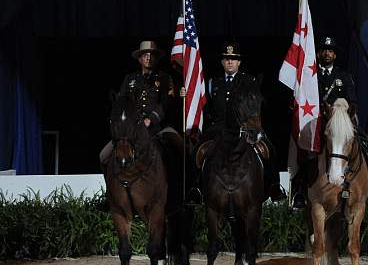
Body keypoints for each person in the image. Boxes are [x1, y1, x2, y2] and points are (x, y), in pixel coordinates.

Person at [291, 36, 368, 210]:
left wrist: (343, 112)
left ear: (335, 55)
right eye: (324, 50)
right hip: (320, 122)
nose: (327, 53)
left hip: (341, 123)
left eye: (331, 51)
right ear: (319, 53)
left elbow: (354, 102)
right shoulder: (312, 76)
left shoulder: (344, 76)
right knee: (306, 150)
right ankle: (300, 192)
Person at [195, 41, 287, 202]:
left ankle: (274, 187)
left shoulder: (248, 81)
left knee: (269, 148)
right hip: (218, 128)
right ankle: (194, 189)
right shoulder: (213, 83)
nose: (230, 61)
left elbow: (255, 104)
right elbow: (206, 107)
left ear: (239, 62)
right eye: (227, 58)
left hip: (244, 128)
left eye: (233, 58)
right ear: (222, 62)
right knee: (197, 150)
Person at [99, 40, 185, 192]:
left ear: (156, 59)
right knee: (104, 157)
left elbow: (166, 103)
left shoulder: (165, 78)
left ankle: (182, 192)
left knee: (181, 149)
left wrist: (151, 119)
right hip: (132, 130)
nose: (148, 58)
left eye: (152, 55)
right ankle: (112, 193)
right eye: (145, 55)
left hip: (158, 128)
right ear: (139, 59)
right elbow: (121, 103)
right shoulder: (129, 79)